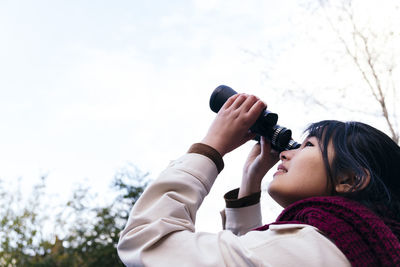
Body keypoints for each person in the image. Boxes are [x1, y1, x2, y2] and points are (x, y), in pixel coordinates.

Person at [117, 93, 400, 266]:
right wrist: (250, 184)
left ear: (349, 179)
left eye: (309, 146)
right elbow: (253, 256)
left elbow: (147, 244)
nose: (287, 155)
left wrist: (211, 147)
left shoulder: (306, 247)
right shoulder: (352, 245)